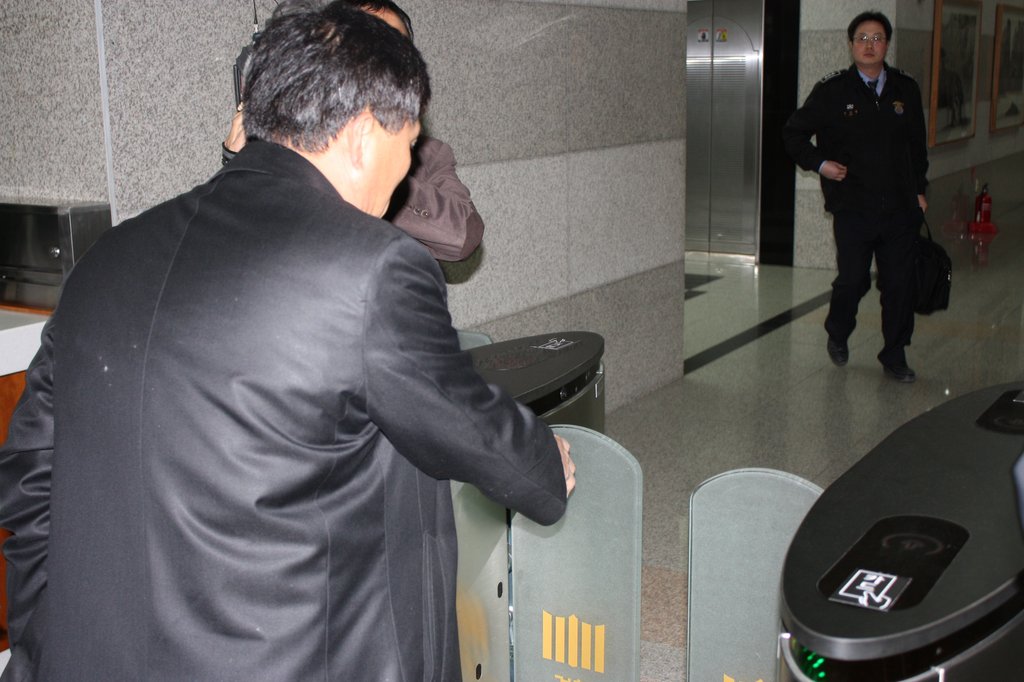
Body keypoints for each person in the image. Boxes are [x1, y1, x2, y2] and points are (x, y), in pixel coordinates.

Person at [0, 4, 574, 680]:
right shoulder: (371, 265)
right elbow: (459, 419)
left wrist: (43, 649)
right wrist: (544, 464)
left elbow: (31, 477)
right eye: (409, 145)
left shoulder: (109, 257)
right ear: (364, 133)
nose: (404, 174)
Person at [223, 0, 484, 262]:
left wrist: (385, 172)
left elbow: (463, 236)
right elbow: (237, 243)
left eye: (393, 49)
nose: (380, 64)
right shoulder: (296, 141)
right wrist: (239, 166)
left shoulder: (428, 153)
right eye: (365, 46)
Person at [784, 11, 929, 383]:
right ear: (850, 44)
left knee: (898, 285)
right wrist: (821, 165)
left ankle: (894, 354)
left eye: (877, 38)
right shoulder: (832, 91)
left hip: (899, 210)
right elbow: (793, 134)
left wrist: (919, 190)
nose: (869, 45)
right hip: (853, 208)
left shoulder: (905, 89)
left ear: (887, 44)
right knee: (853, 280)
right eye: (862, 38)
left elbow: (917, 147)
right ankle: (837, 329)